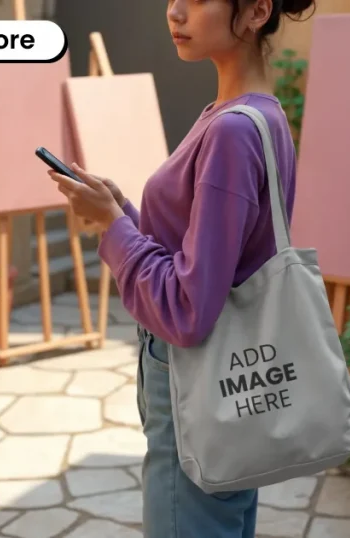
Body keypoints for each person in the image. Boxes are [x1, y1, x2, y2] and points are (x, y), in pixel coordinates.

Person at [48, 0, 315, 536]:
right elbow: (208, 257)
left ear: (257, 10)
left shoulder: (231, 132)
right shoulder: (259, 116)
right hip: (234, 380)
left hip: (197, 382)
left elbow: (189, 309)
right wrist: (122, 213)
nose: (174, 12)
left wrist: (110, 228)